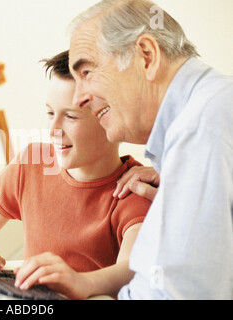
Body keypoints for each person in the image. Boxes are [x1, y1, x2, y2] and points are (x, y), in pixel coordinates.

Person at [0, 50, 151, 299]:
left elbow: (133, 271)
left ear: (112, 120)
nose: (53, 130)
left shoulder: (135, 190)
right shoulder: (31, 165)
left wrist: (78, 282)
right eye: (51, 113)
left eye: (71, 116)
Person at [68, 0, 233, 299]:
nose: (77, 98)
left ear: (146, 56)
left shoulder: (199, 130)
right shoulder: (208, 113)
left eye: (87, 72)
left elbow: (176, 294)